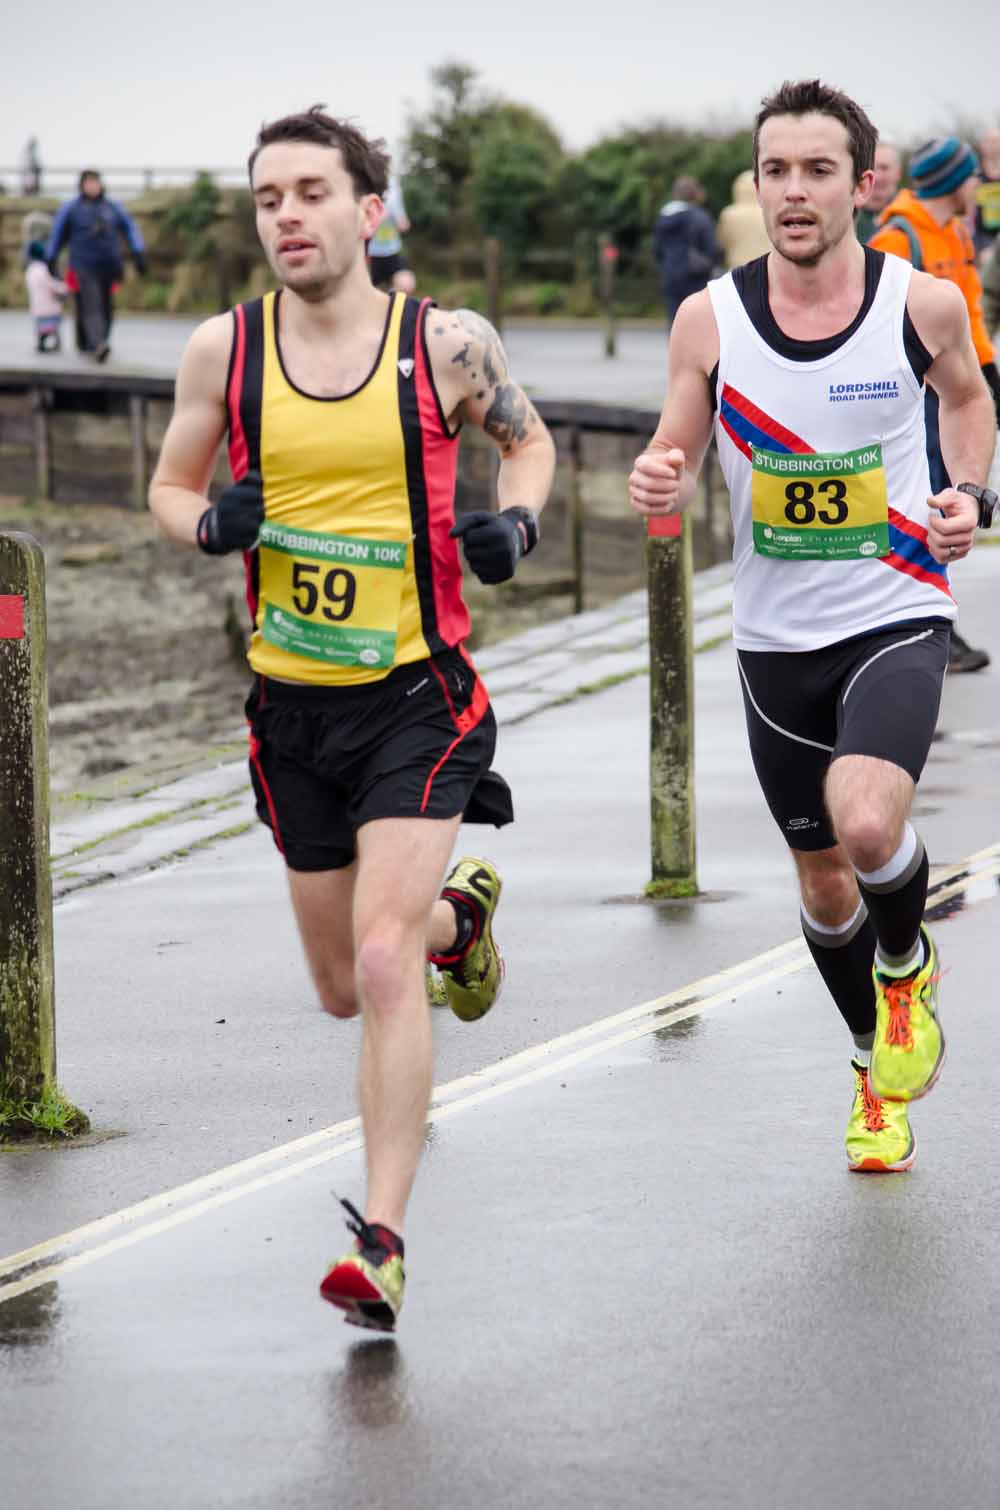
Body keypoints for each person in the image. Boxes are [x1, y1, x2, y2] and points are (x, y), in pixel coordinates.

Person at [148, 106, 555, 1333]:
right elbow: (168, 484)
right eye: (268, 197)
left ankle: (380, 1242)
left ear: (368, 211)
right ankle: (458, 920)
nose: (287, 215)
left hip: (417, 698)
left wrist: (515, 523)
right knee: (341, 982)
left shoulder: (446, 345)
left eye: (312, 192)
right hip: (292, 709)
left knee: (381, 963)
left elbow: (528, 447)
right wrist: (206, 522)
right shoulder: (224, 351)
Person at [629, 79, 996, 1177]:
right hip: (773, 640)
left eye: (818, 170)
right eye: (775, 171)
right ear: (757, 183)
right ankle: (871, 1065)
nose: (794, 191)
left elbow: (968, 401)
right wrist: (660, 471)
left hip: (896, 608)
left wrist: (969, 493)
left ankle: (906, 964)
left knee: (869, 825)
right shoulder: (709, 318)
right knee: (825, 881)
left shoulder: (921, 304)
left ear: (862, 183)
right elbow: (678, 441)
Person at [870, 137, 1000, 672]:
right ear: (952, 181)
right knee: (919, 504)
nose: (977, 184)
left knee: (947, 501)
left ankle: (932, 619)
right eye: (970, 175)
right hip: (913, 399)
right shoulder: (897, 239)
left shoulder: (955, 232)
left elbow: (970, 312)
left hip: (950, 390)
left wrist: (986, 373)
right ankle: (925, 623)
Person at [45, 170, 147, 361]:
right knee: (92, 305)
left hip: (109, 265)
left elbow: (130, 228)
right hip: (84, 265)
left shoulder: (113, 207)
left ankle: (98, 341)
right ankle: (98, 344)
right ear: (82, 185)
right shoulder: (71, 209)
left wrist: (138, 252)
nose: (92, 186)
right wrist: (51, 257)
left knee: (107, 306)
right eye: (89, 183)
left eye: (95, 182)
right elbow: (57, 234)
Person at [652, 175, 720, 321]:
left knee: (674, 318)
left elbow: (657, 249)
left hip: (670, 274)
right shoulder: (700, 217)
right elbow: (711, 248)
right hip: (696, 276)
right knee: (697, 320)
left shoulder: (663, 217)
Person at [367, 175, 415, 292]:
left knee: (407, 284)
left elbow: (404, 226)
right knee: (370, 292)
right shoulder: (366, 186)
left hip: (392, 251)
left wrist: (401, 220)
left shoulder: (394, 186)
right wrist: (379, 217)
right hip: (371, 255)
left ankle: (390, 300)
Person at [716, 170, 772, 269]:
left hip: (738, 267)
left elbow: (722, 242)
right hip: (767, 266)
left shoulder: (729, 214)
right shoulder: (770, 212)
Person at [24, 240, 67, 353]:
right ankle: (54, 343)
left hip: (37, 304)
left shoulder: (30, 270)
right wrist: (63, 287)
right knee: (52, 325)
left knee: (41, 326)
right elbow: (50, 284)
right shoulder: (42, 269)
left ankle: (41, 343)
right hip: (49, 304)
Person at [854, 140, 901, 244]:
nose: (877, 177)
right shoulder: (845, 217)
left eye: (884, 168)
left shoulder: (911, 218)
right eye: (871, 168)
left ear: (898, 173)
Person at [973, 128, 1000, 262]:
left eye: (996, 141)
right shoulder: (975, 175)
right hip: (983, 236)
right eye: (989, 141)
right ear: (982, 146)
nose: (993, 146)